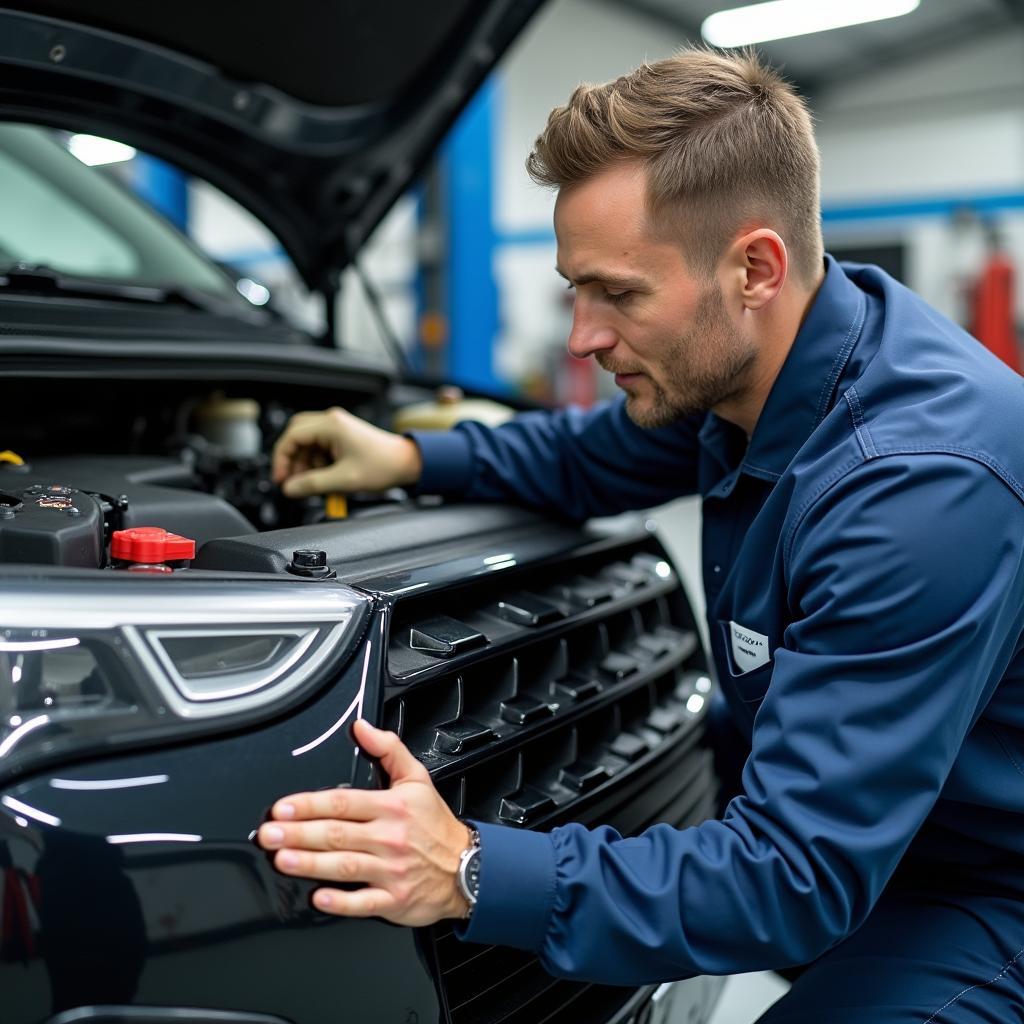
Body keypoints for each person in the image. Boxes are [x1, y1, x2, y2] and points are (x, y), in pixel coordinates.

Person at [256, 49, 1024, 1022]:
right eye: (575, 289)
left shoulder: (914, 487)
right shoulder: (765, 365)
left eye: (617, 294)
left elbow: (791, 877)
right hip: (892, 837)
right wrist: (408, 461)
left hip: (986, 887)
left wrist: (472, 868)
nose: (581, 336)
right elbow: (591, 458)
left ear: (755, 267)